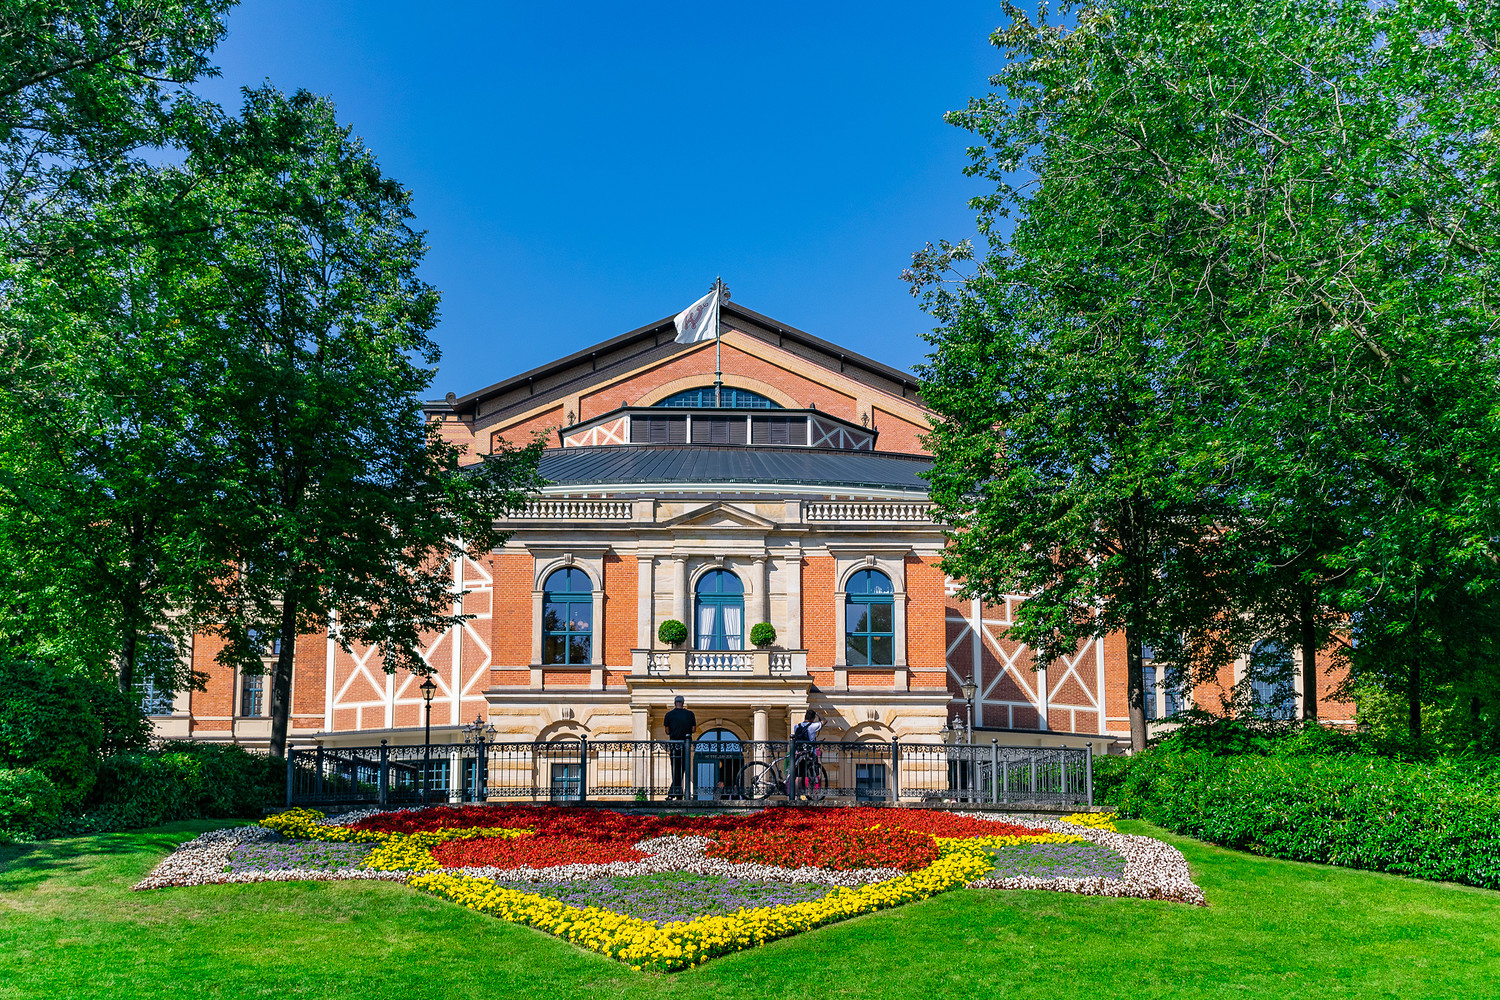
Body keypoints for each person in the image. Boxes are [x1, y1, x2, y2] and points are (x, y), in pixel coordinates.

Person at [664, 695, 696, 800]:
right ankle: (677, 793)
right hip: (685, 745)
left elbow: (667, 731)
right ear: (683, 703)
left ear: (675, 703)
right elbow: (693, 729)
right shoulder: (690, 714)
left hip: (674, 745)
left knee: (675, 769)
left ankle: (675, 792)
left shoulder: (669, 715)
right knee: (682, 769)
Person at [790, 709, 823, 797]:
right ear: (813, 718)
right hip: (809, 753)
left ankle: (795, 796)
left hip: (798, 753)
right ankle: (810, 794)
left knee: (798, 775)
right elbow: (824, 721)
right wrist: (818, 714)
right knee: (811, 775)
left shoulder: (797, 726)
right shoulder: (813, 726)